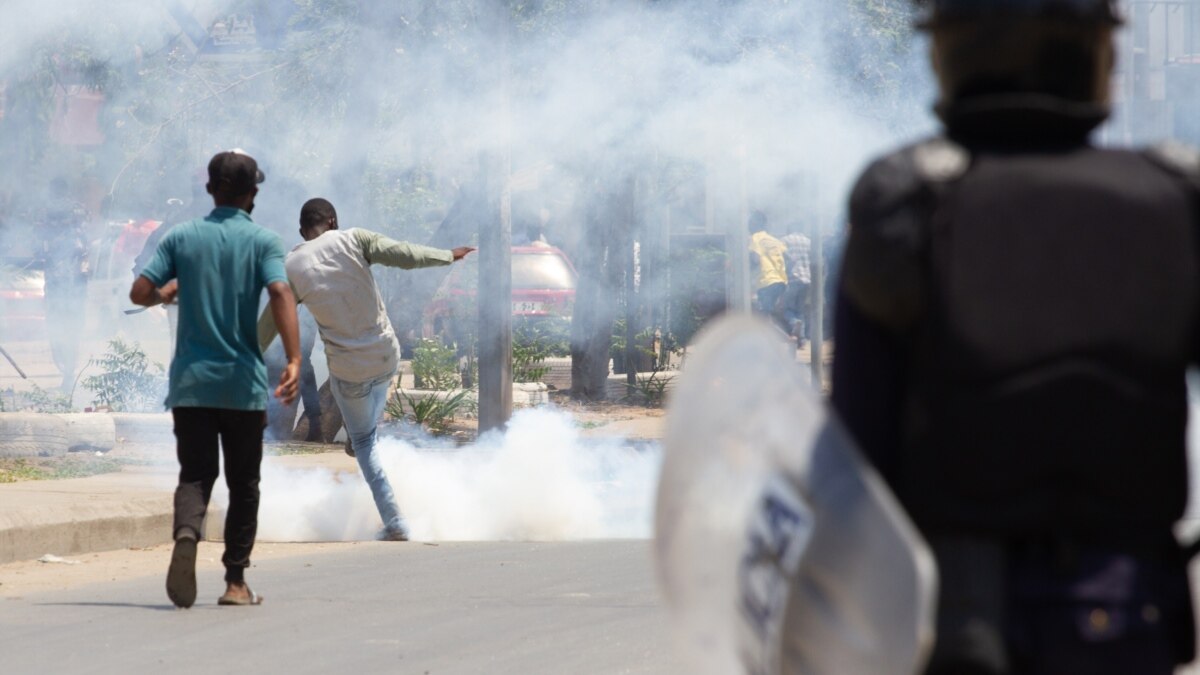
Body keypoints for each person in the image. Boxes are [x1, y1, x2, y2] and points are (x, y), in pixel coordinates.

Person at [831, 1, 1199, 672]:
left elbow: (857, 452)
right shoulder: (1177, 197)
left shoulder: (906, 200)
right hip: (1126, 614)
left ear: (947, 51)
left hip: (955, 622)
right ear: (1100, 53)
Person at [130, 150, 301, 609]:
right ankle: (235, 582)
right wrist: (295, 358)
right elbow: (281, 290)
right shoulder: (264, 241)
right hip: (241, 384)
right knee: (244, 482)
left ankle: (188, 532)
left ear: (209, 189)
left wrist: (167, 290)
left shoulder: (182, 237)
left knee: (196, 474)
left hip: (191, 384)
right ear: (254, 194)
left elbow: (139, 291)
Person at [258, 197, 474, 541]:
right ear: (333, 221)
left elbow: (268, 327)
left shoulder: (292, 267)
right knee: (366, 423)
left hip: (349, 369)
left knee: (363, 444)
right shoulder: (354, 239)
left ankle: (395, 522)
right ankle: (364, 435)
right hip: (387, 355)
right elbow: (405, 254)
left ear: (302, 230)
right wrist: (447, 255)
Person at [38, 178, 90, 390]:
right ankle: (68, 371)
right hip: (72, 282)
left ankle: (67, 371)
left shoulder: (47, 211)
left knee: (60, 326)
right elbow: (87, 240)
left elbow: (38, 242)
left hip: (63, 282)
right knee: (69, 327)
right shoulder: (80, 210)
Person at [746, 210, 788, 329]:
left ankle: (788, 338)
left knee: (763, 317)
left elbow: (755, 259)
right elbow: (788, 257)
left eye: (749, 223)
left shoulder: (755, 238)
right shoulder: (773, 240)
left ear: (754, 224)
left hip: (766, 281)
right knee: (766, 315)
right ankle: (788, 337)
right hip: (781, 281)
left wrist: (746, 269)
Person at [777, 223, 811, 346]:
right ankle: (801, 340)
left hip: (792, 278)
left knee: (788, 309)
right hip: (807, 279)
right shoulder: (808, 241)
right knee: (800, 309)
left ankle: (794, 322)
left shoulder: (784, 240)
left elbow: (781, 258)